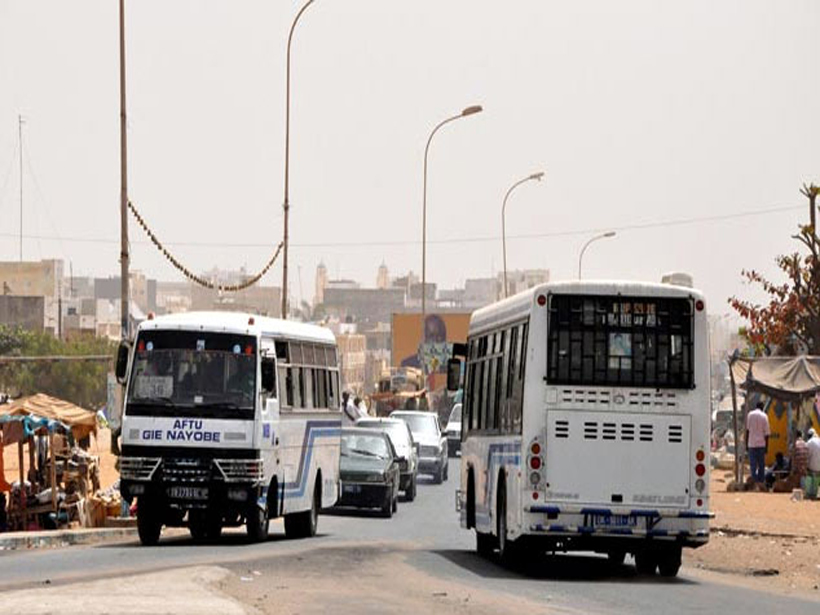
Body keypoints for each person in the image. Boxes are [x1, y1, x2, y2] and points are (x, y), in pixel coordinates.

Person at [745, 401, 770, 484]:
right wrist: (767, 447)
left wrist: (746, 444)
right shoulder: (764, 416)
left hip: (751, 444)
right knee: (761, 465)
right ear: (762, 407)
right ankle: (761, 482)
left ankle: (754, 482)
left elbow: (747, 431)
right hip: (761, 444)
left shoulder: (750, 415)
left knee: (753, 465)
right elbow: (767, 434)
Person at [806, 428, 820, 499]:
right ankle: (815, 492)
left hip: (813, 468)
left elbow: (807, 456)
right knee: (817, 477)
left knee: (808, 473)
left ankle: (809, 493)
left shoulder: (809, 442)